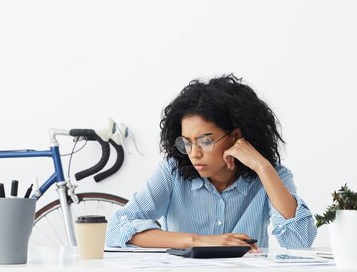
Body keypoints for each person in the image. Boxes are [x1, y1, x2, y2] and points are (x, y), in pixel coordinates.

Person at [106, 74, 317, 249]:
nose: (194, 153)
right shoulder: (173, 172)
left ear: (235, 136)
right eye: (186, 142)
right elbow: (117, 228)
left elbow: (299, 242)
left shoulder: (272, 175)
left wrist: (262, 166)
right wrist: (198, 241)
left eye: (205, 141)